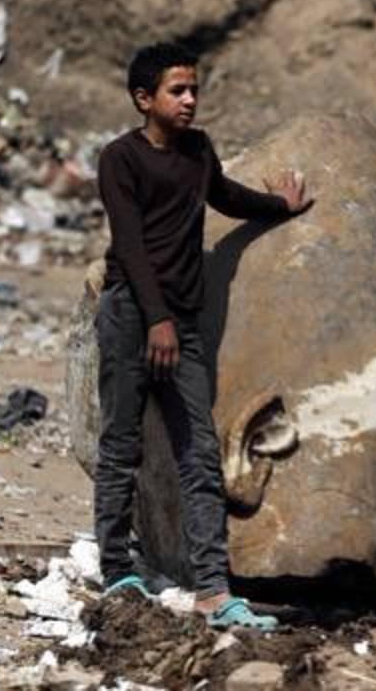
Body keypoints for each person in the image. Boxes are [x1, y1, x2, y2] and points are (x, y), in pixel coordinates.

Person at [94, 42, 310, 630]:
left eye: (194, 89)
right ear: (145, 99)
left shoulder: (198, 151)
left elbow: (227, 195)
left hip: (180, 326)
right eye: (177, 91)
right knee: (121, 447)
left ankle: (214, 590)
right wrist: (157, 319)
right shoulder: (120, 159)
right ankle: (116, 573)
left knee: (200, 456)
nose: (190, 100)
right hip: (131, 316)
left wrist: (280, 207)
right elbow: (131, 245)